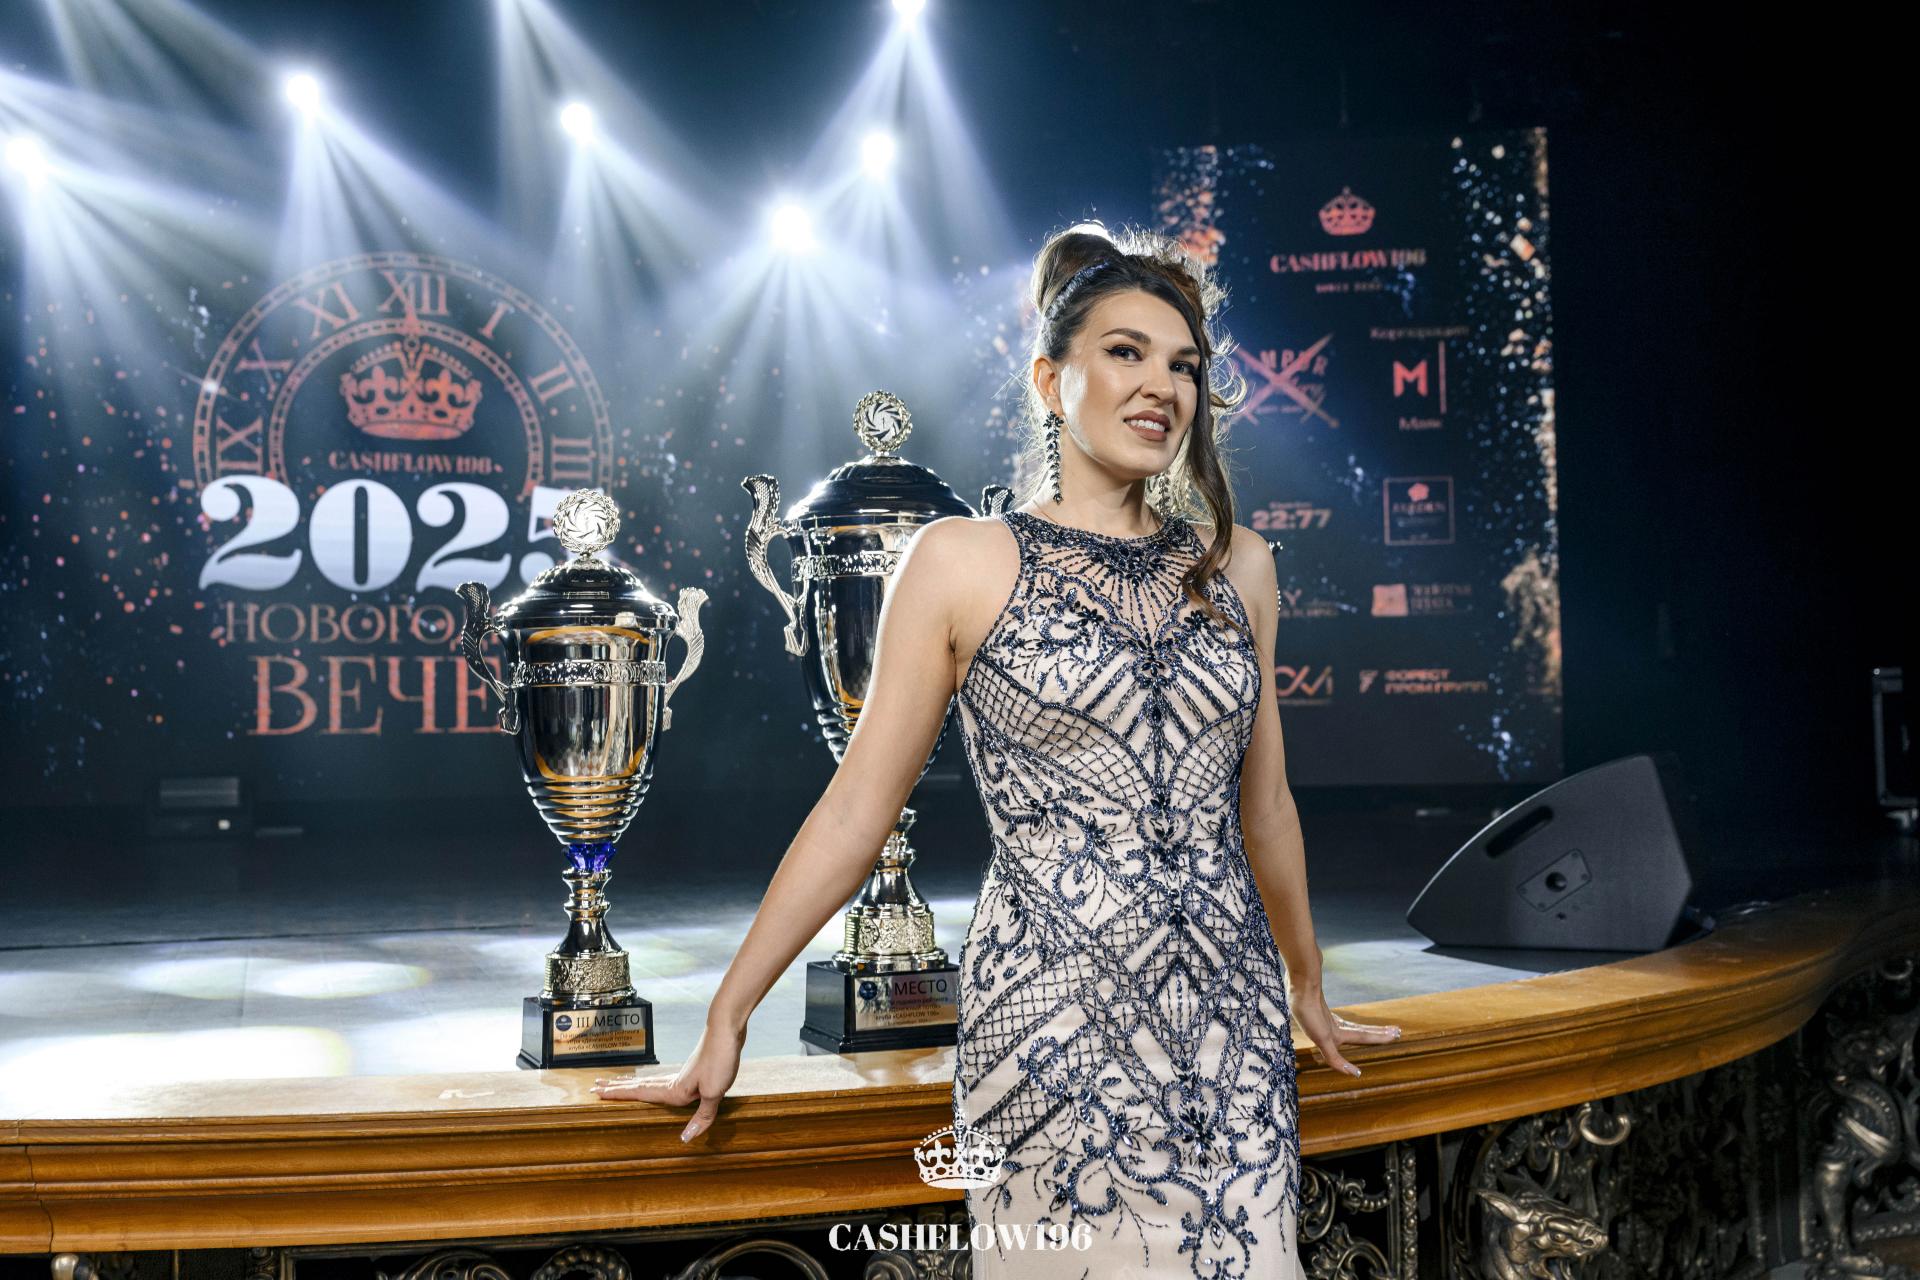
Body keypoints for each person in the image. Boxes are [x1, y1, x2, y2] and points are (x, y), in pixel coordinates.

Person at [593, 222, 1401, 1277]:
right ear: (1050, 380)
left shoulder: (1239, 563)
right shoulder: (961, 560)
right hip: (1049, 1031)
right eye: (1125, 352)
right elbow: (856, 809)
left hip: (1231, 1033)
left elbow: (1268, 807)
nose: (1162, 385)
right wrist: (730, 1010)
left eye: (1184, 365)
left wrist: (1306, 978)